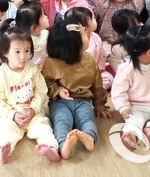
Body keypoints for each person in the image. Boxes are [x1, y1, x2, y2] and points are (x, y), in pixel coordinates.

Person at [0, 24, 60, 164]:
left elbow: (41, 90)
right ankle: (2, 150)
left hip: (33, 112)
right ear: (5, 52)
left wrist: (33, 109)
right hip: (10, 114)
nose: (23, 56)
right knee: (5, 130)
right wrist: (12, 115)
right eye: (17, 52)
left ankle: (50, 148)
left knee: (43, 127)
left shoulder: (33, 69)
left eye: (27, 51)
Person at [41, 21, 111, 160]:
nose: (88, 34)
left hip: (83, 101)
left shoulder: (89, 60)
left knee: (87, 119)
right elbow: (45, 81)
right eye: (84, 35)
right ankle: (64, 145)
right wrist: (58, 90)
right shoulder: (52, 62)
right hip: (59, 102)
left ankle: (89, 138)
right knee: (61, 121)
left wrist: (100, 105)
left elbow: (97, 85)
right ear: (74, 45)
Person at [64, 7, 111, 89]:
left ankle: (90, 89)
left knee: (109, 78)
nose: (95, 20)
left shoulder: (96, 37)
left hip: (95, 73)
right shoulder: (73, 42)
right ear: (84, 28)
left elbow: (101, 55)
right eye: (92, 19)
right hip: (78, 75)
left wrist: (99, 69)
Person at [15, 1, 50, 67]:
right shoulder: (25, 42)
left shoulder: (46, 34)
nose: (46, 16)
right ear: (34, 27)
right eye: (42, 16)